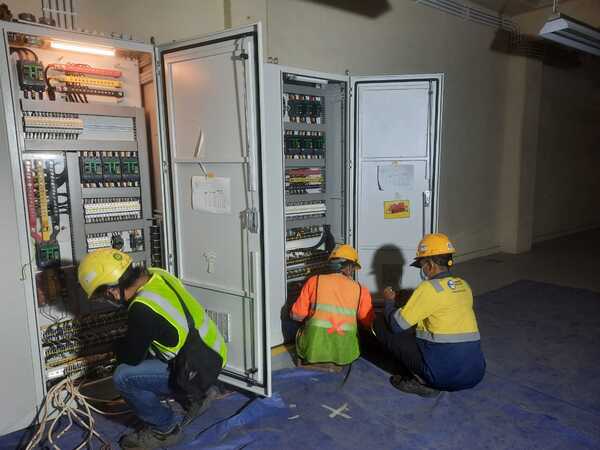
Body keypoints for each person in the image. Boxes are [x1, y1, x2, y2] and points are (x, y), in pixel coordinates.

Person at [77, 248, 227, 449]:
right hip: (214, 352)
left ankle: (165, 430)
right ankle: (203, 390)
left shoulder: (142, 309)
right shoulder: (158, 274)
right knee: (150, 351)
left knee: (123, 377)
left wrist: (115, 347)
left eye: (104, 297)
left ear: (112, 291)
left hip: (195, 369)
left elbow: (131, 358)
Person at [373, 233, 485, 397]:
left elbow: (396, 326)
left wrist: (389, 302)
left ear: (430, 265)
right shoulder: (464, 285)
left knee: (382, 324)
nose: (423, 270)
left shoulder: (428, 288)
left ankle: (424, 381)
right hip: (475, 374)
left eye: (422, 265)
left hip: (442, 377)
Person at [290, 244, 374, 370]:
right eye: (353, 268)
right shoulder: (361, 290)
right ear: (349, 267)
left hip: (312, 352)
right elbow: (368, 322)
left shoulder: (314, 281)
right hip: (344, 354)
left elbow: (297, 315)